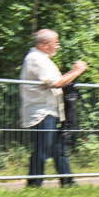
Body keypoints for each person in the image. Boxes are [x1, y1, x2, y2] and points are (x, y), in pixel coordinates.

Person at [20, 29, 86, 188]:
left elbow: (57, 80)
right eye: (56, 42)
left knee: (58, 148)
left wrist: (71, 73)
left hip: (50, 110)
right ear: (45, 44)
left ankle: (68, 182)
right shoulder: (36, 59)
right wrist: (77, 71)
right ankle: (34, 184)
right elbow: (55, 82)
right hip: (41, 112)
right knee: (42, 150)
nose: (58, 46)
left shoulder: (42, 58)